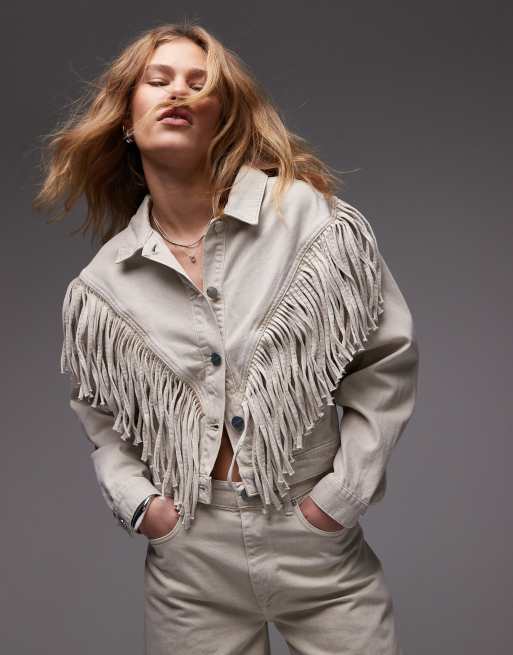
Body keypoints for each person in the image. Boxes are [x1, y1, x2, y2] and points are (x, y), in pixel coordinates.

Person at [34, 21, 419, 655]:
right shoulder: (103, 287)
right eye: (158, 81)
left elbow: (385, 360)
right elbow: (103, 420)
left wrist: (339, 497)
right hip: (191, 564)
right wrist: (143, 506)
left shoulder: (305, 220)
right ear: (127, 117)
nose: (177, 92)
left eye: (198, 83)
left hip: (315, 540)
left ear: (222, 117)